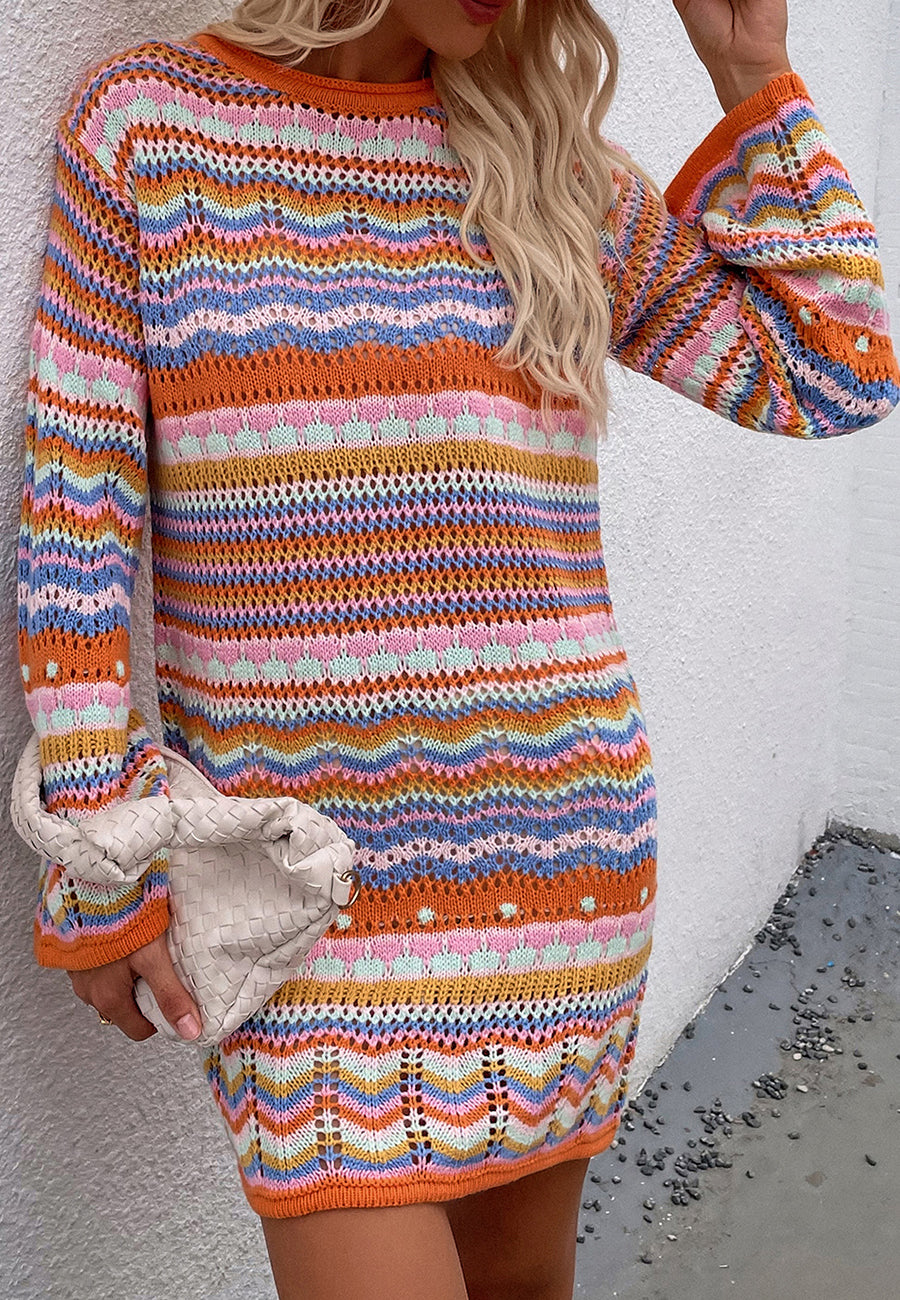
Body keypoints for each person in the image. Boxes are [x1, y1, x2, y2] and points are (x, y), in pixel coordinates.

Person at [16, 0, 899, 1297]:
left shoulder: (547, 170)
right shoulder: (151, 130)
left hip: (560, 872)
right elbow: (78, 516)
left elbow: (835, 368)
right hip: (310, 909)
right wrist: (101, 863)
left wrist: (750, 71)